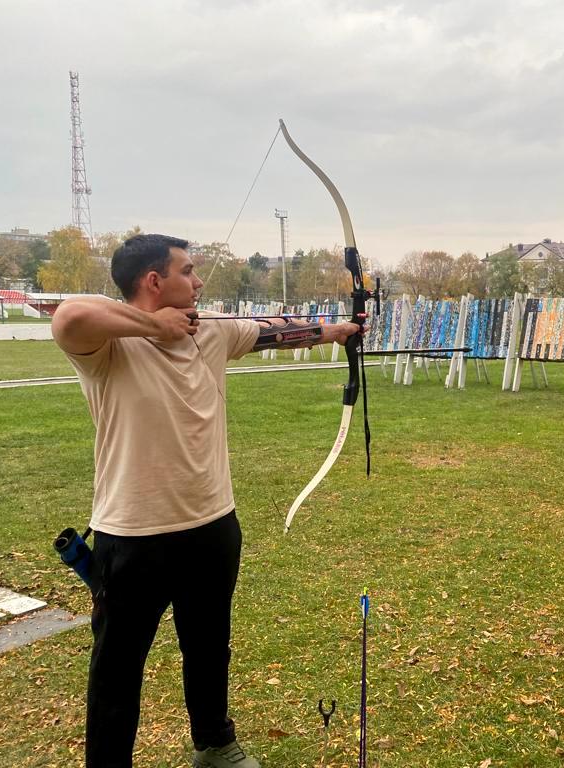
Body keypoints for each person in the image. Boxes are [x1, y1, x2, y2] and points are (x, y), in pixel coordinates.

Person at [52, 234, 362, 768]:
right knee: (117, 665)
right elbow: (69, 316)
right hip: (133, 534)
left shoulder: (211, 330)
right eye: (188, 271)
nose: (198, 282)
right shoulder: (106, 347)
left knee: (209, 644)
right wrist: (156, 326)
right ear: (154, 281)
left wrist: (338, 331)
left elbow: (274, 332)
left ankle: (215, 745)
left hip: (213, 524)